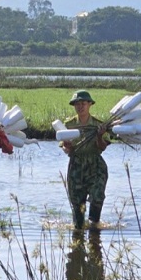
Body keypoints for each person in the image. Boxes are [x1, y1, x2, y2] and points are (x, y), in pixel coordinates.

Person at [59, 90, 111, 230]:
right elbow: (64, 147)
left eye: (83, 103)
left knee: (97, 196)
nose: (80, 106)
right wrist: (67, 147)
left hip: (95, 164)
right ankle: (79, 233)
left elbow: (103, 147)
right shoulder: (68, 125)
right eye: (77, 104)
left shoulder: (98, 125)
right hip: (76, 165)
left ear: (90, 104)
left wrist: (99, 136)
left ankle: (95, 224)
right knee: (77, 204)